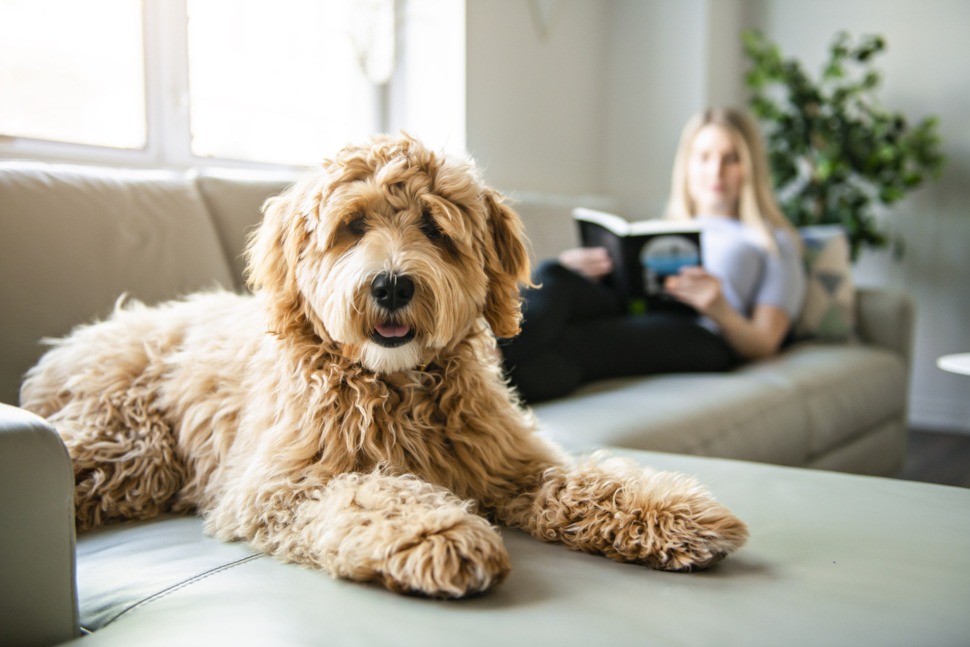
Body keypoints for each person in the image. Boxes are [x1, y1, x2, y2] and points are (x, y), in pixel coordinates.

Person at [500, 107, 806, 403]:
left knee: (579, 343)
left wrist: (720, 309)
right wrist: (585, 272)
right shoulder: (666, 227)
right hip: (634, 308)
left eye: (731, 159)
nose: (716, 171)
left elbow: (765, 343)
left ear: (750, 168)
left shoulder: (773, 241)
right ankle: (489, 356)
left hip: (703, 333)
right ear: (687, 166)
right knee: (555, 274)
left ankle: (482, 374)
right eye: (704, 157)